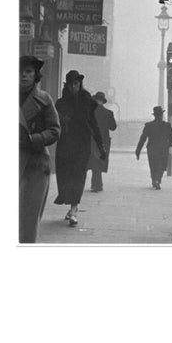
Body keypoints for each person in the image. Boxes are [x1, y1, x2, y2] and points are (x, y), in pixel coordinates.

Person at [54, 70, 106, 226]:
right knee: (65, 176)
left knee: (78, 176)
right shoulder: (60, 103)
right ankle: (71, 207)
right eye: (71, 84)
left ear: (80, 84)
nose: (74, 87)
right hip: (64, 145)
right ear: (67, 85)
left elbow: (93, 124)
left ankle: (74, 209)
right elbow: (53, 124)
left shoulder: (87, 102)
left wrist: (100, 145)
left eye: (76, 84)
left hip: (81, 145)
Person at [19, 55, 60, 243]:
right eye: (20, 72)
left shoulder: (44, 99)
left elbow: (55, 130)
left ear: (35, 75)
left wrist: (33, 139)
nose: (23, 76)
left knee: (28, 218)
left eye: (28, 72)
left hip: (34, 164)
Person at [135, 106, 172, 189]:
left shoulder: (149, 125)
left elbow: (143, 138)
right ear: (161, 115)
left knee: (153, 166)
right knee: (162, 165)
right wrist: (170, 144)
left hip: (152, 148)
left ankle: (154, 180)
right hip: (163, 148)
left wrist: (138, 150)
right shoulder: (166, 125)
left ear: (154, 115)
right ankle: (158, 179)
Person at [87, 92, 117, 192]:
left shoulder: (89, 112)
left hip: (92, 140)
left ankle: (96, 184)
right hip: (103, 140)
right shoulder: (108, 113)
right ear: (103, 101)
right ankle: (97, 184)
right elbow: (113, 127)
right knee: (99, 161)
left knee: (94, 161)